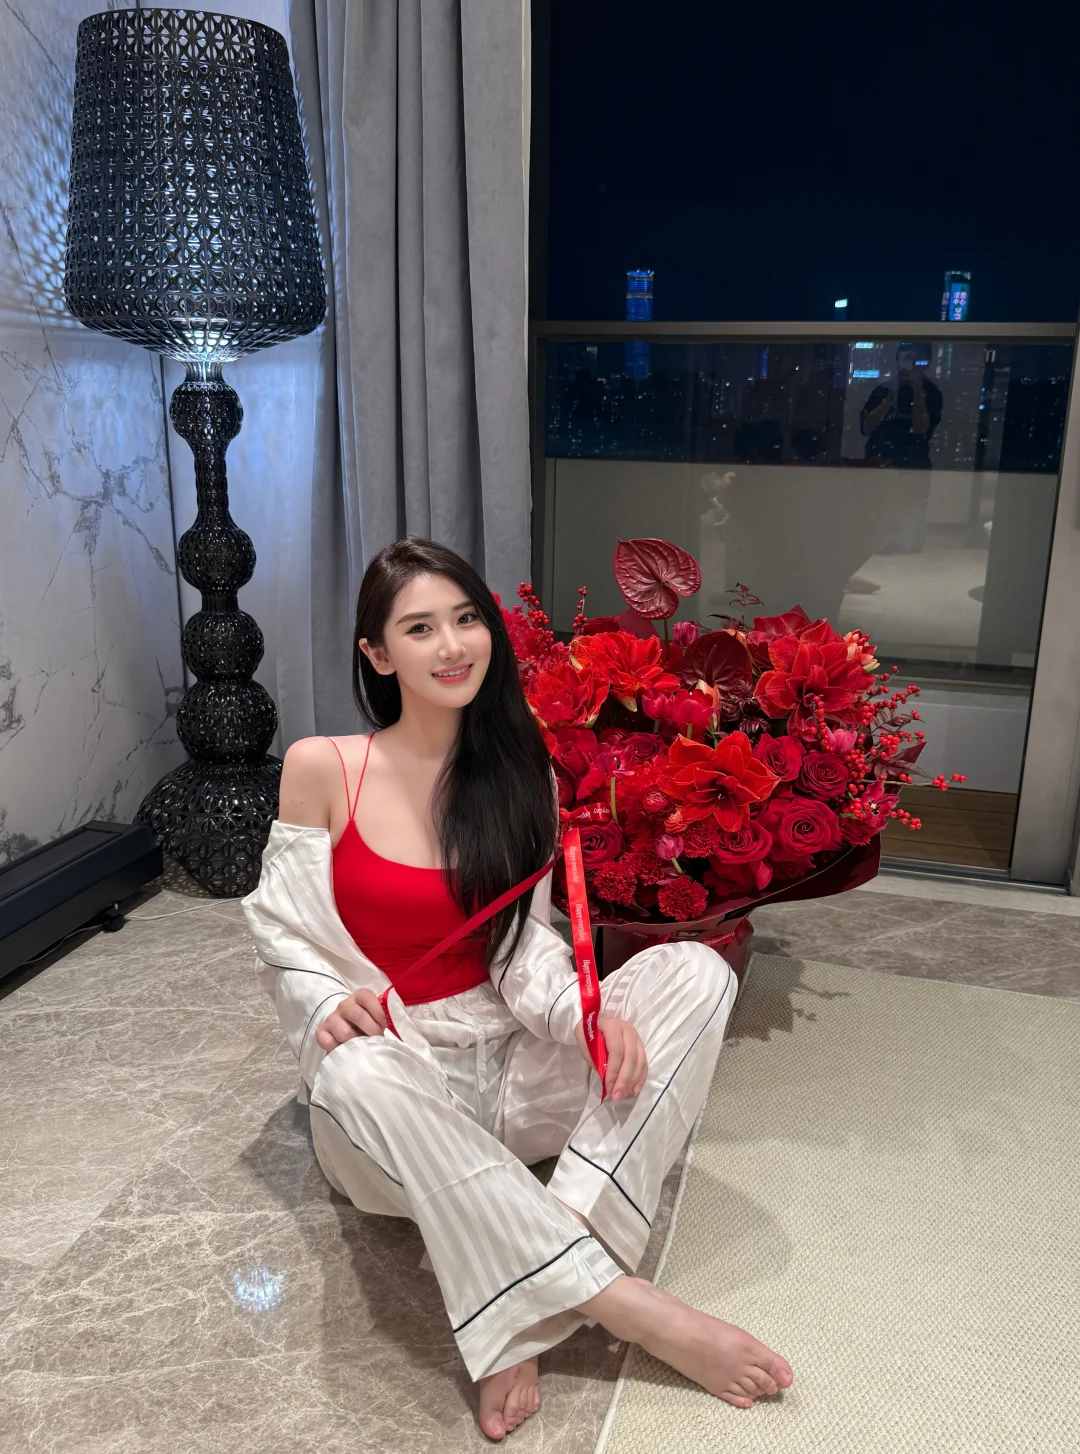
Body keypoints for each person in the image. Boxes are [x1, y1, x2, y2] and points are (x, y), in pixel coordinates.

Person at [241, 537, 793, 1441]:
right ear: (377, 654)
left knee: (696, 971)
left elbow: (524, 945)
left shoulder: (518, 774)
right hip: (396, 1101)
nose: (452, 645)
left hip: (510, 1068)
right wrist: (326, 1001)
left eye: (466, 619)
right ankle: (625, 1304)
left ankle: (532, 1284)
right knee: (355, 1072)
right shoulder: (322, 767)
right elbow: (284, 930)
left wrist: (583, 1018)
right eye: (419, 628)